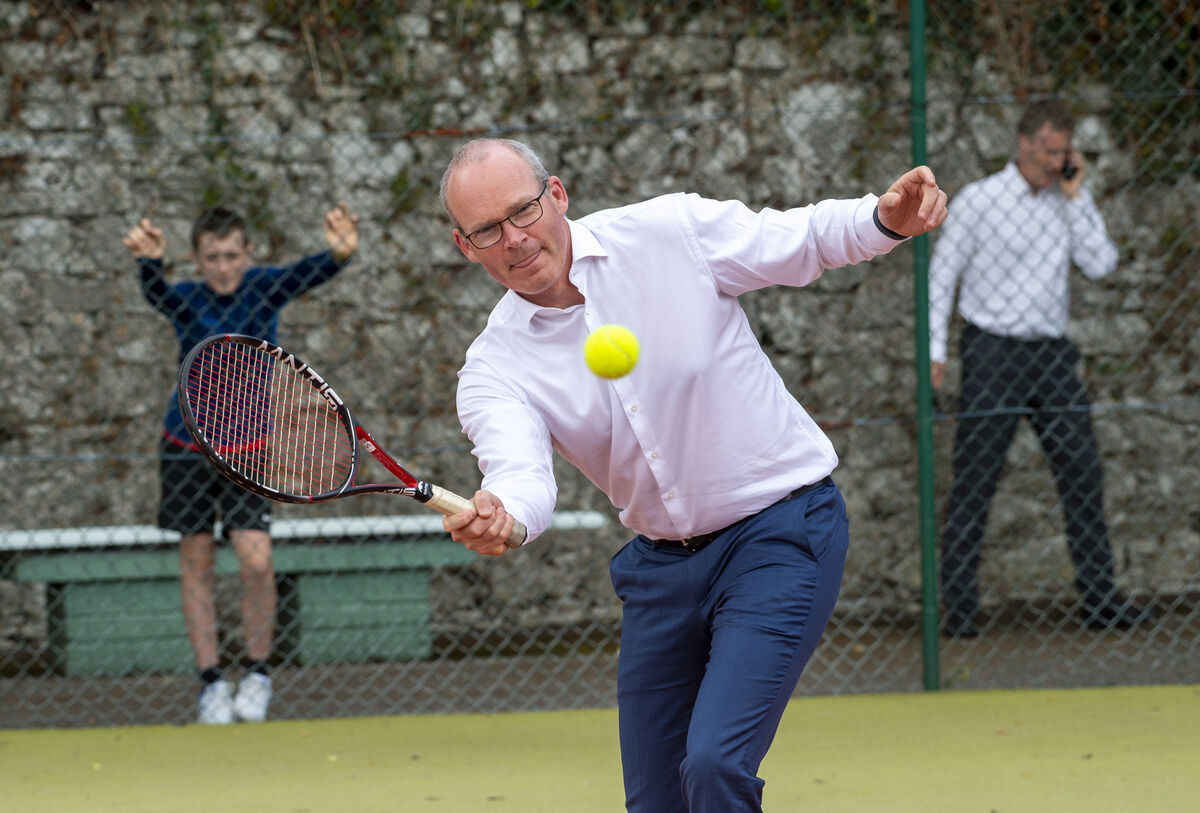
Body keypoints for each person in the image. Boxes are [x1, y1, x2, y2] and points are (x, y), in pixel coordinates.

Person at [437, 138, 947, 812]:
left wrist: (881, 221)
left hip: (780, 533)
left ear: (556, 195)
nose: (515, 239)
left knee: (713, 764)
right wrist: (505, 513)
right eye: (488, 230)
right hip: (662, 573)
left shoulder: (665, 232)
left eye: (523, 211)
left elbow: (795, 239)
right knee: (655, 804)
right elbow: (521, 472)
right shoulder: (492, 368)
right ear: (464, 245)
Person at [123, 203, 359, 723]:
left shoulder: (265, 288)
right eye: (213, 258)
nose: (224, 266)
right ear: (197, 259)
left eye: (232, 255)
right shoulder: (186, 299)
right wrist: (149, 261)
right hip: (185, 447)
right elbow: (155, 293)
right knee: (197, 561)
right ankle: (211, 684)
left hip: (251, 451)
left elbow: (309, 272)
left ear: (248, 255)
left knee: (256, 560)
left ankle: (256, 674)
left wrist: (340, 252)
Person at [928, 99, 1155, 638]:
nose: (1059, 162)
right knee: (975, 479)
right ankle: (958, 612)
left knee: (1083, 473)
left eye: (1065, 153)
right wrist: (935, 352)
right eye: (1052, 151)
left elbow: (1101, 264)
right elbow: (942, 276)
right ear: (1026, 143)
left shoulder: (1067, 200)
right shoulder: (981, 201)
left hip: (1051, 355)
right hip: (991, 352)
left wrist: (1077, 197)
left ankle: (1100, 601)